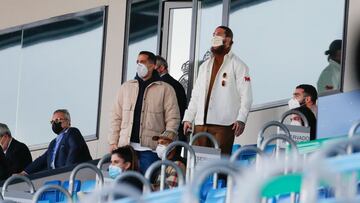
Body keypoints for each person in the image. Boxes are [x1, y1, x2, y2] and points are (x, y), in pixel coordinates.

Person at [183, 26, 253, 155]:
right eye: (213, 34)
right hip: (200, 124)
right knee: (200, 166)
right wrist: (188, 117)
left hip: (224, 124)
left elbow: (246, 96)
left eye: (218, 35)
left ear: (227, 40)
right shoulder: (204, 66)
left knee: (220, 165)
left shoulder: (239, 65)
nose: (214, 37)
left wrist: (241, 118)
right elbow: (196, 95)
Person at [109, 51, 180, 174]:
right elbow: (116, 116)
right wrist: (113, 141)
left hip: (150, 149)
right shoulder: (126, 87)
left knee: (146, 185)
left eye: (142, 62)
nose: (139, 65)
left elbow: (173, 119)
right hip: (126, 148)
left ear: (152, 65)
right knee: (125, 185)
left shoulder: (166, 89)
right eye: (137, 62)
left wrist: (165, 143)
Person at [22, 109, 92, 175]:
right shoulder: (53, 142)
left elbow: (75, 149)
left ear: (68, 121)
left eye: (58, 120)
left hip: (74, 174)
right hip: (56, 176)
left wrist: (66, 170)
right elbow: (43, 159)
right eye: (52, 122)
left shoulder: (72, 131)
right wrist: (25, 173)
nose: (54, 123)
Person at [155, 55, 188, 153]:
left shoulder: (165, 85)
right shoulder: (175, 84)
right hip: (175, 133)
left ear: (161, 68)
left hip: (170, 134)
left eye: (154, 67)